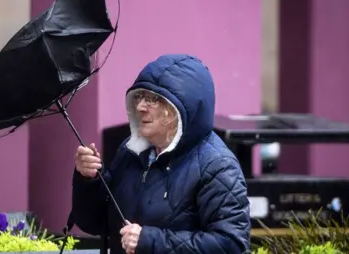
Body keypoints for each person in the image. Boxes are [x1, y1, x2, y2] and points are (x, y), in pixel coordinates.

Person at [71, 54, 251, 254]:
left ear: (180, 108)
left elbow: (231, 245)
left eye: (153, 99)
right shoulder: (131, 151)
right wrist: (90, 180)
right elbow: (94, 223)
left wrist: (150, 241)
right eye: (139, 97)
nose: (140, 107)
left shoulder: (217, 166)